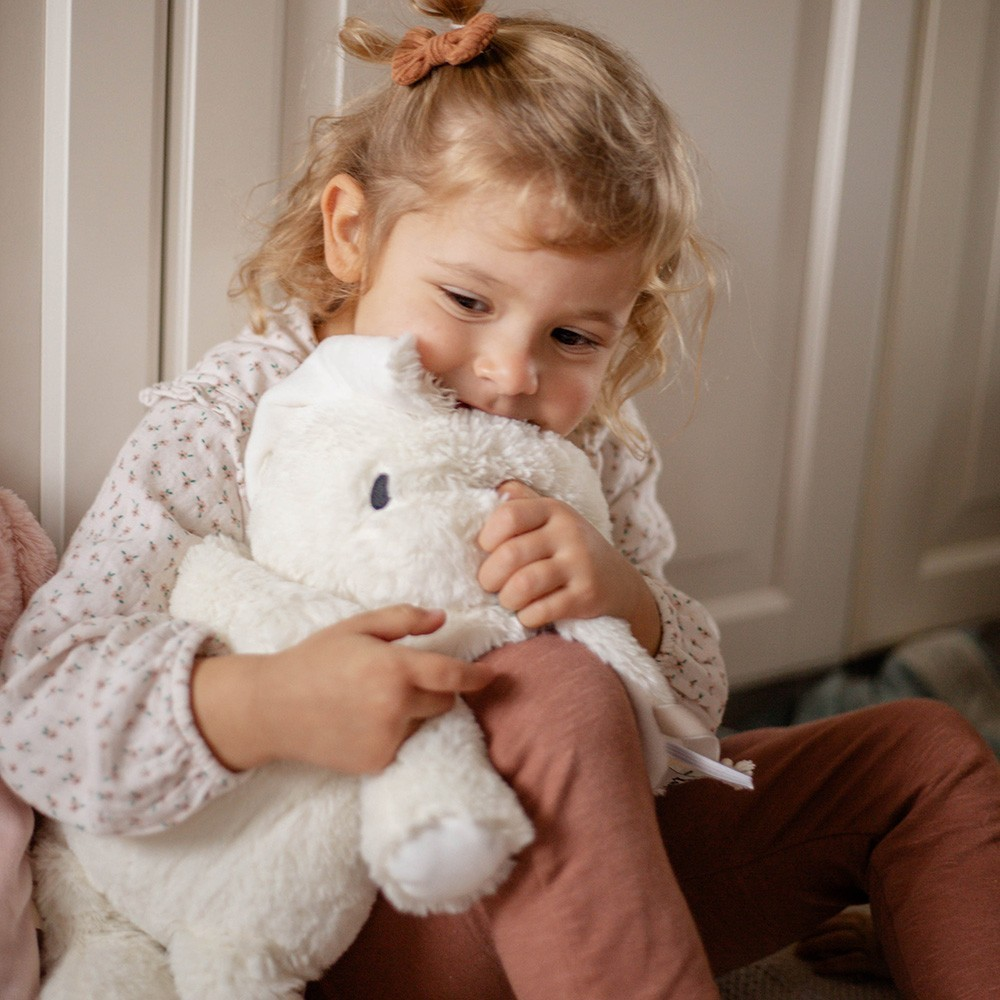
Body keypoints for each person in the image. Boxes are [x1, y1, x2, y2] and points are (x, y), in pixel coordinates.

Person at [2, 2, 998, 997]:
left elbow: (690, 722)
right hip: (347, 901)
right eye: (468, 302)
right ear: (351, 233)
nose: (511, 371)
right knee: (554, 693)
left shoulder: (587, 445)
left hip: (582, 873)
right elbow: (39, 714)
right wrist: (265, 704)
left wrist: (626, 601)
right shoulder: (230, 417)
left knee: (923, 752)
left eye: (574, 337)